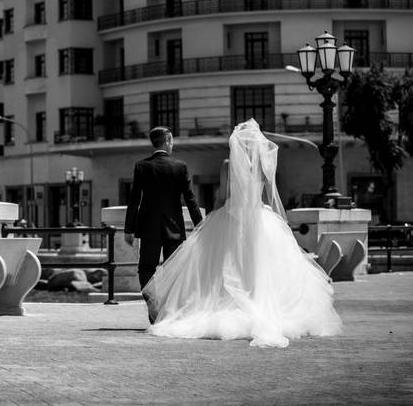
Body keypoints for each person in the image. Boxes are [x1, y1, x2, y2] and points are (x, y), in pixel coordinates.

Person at [143, 119, 342, 348]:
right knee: (262, 267)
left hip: (231, 217)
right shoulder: (262, 164)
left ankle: (226, 305)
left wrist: (210, 220)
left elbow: (220, 197)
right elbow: (269, 195)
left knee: (224, 267)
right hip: (259, 219)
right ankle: (265, 306)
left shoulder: (228, 164)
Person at [124, 126, 203, 321]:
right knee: (173, 270)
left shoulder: (142, 166)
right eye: (172, 140)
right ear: (167, 140)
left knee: (146, 268)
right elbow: (190, 199)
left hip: (148, 226)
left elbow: (134, 200)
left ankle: (152, 303)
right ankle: (169, 310)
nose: (173, 143)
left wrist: (129, 229)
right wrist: (200, 224)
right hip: (174, 228)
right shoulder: (180, 166)